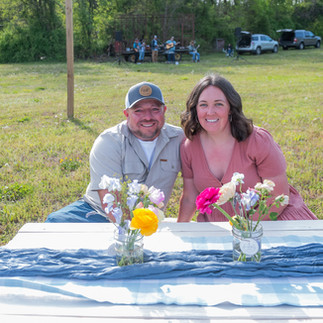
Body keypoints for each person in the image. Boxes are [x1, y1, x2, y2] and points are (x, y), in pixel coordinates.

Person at [178, 74, 317, 222]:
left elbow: (278, 195)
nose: (210, 112)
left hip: (273, 219)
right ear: (195, 109)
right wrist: (180, 232)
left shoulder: (258, 140)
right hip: (221, 227)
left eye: (218, 104)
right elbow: (189, 197)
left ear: (230, 108)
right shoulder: (189, 146)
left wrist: (244, 229)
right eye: (203, 105)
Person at [46, 82, 184, 223]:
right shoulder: (109, 142)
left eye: (155, 109)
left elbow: (196, 183)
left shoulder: (180, 139)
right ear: (126, 114)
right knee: (54, 225)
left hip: (149, 220)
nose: (148, 116)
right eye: (138, 110)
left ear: (164, 110)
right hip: (99, 214)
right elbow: (112, 206)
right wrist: (137, 234)